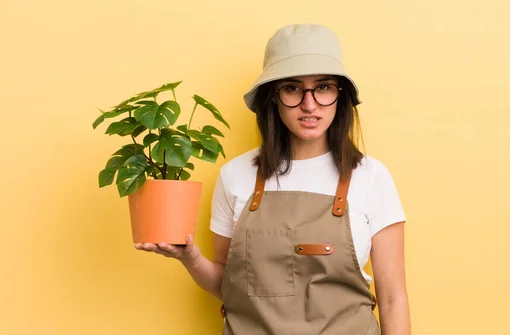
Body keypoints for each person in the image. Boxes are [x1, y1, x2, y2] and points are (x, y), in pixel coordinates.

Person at [135, 23, 410, 335]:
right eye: (292, 88)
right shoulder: (235, 177)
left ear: (340, 95)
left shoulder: (371, 177)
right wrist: (190, 258)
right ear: (273, 97)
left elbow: (392, 299)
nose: (309, 104)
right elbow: (230, 287)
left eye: (323, 87)